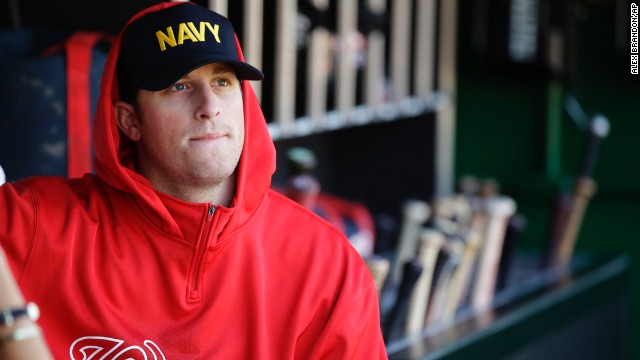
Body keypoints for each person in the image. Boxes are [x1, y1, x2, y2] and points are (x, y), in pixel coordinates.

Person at [0, 2, 387, 359]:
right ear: (129, 121)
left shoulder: (327, 267)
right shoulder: (37, 225)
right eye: (179, 86)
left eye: (222, 82)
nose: (209, 107)